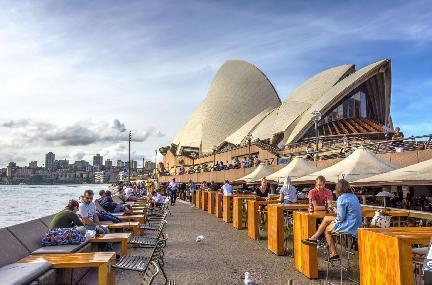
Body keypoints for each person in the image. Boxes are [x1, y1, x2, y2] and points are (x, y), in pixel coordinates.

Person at [302, 179, 362, 260]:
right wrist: (336, 213)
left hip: (349, 225)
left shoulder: (341, 198)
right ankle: (314, 238)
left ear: (338, 188)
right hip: (357, 224)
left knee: (327, 230)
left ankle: (334, 254)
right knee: (326, 219)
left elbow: (340, 218)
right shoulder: (354, 196)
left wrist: (335, 217)